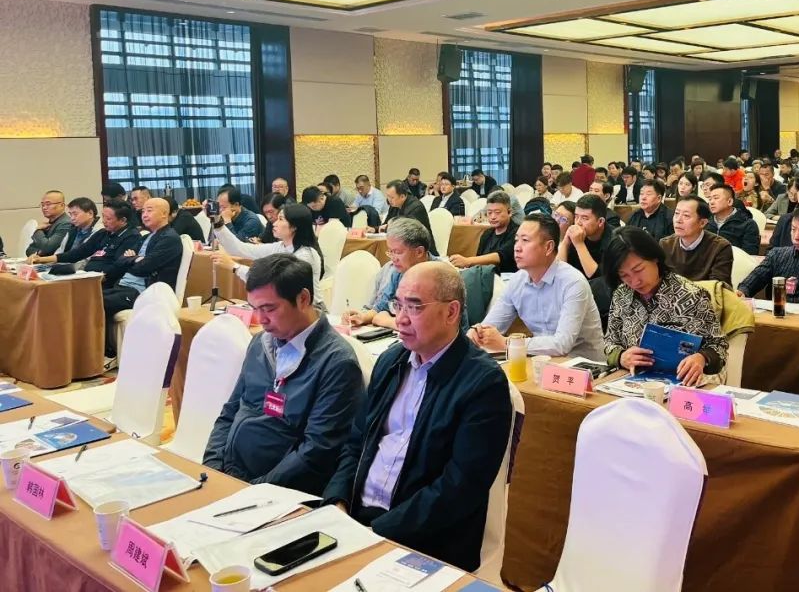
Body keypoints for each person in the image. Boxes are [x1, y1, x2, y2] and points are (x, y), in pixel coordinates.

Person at [324, 261, 511, 572]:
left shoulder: (483, 383)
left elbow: (460, 487)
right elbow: (356, 442)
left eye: (414, 307)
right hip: (356, 521)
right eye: (398, 305)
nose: (400, 318)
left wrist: (377, 532)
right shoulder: (391, 361)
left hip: (422, 540)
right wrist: (337, 502)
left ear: (451, 312)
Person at [204, 254, 362, 495]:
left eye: (269, 308)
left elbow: (316, 451)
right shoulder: (260, 344)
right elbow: (230, 411)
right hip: (231, 477)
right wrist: (212, 468)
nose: (261, 319)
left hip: (277, 493)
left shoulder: (336, 362)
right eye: (254, 309)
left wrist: (250, 491)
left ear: (303, 299)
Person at [603, 227, 728, 386]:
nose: (635, 281)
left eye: (638, 270)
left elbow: (718, 346)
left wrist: (702, 358)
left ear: (655, 258)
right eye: (624, 275)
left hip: (684, 383)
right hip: (632, 382)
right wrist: (621, 357)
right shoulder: (622, 294)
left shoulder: (691, 295)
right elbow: (610, 341)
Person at [470, 214, 605, 360]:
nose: (517, 248)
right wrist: (477, 332)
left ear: (548, 247)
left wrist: (508, 343)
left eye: (525, 240)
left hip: (583, 364)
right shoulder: (517, 281)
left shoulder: (573, 282)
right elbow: (490, 326)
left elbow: (562, 344)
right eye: (516, 240)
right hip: (542, 361)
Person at [101, 198, 183, 359]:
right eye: (143, 211)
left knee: (96, 303)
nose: (144, 215)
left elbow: (143, 267)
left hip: (141, 292)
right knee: (88, 298)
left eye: (149, 210)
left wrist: (132, 260)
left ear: (164, 213)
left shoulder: (170, 239)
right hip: (123, 286)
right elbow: (120, 261)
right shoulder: (146, 237)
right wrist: (134, 259)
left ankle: (103, 353)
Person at [212, 203, 327, 308]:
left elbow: (274, 284)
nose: (275, 223)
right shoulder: (279, 247)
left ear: (294, 226)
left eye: (281, 219)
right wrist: (218, 223)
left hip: (310, 311)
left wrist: (235, 267)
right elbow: (240, 249)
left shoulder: (306, 255)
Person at [29, 200, 139, 285]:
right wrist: (41, 259)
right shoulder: (103, 233)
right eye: (103, 217)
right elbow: (77, 253)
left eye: (108, 219)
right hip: (86, 276)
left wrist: (98, 278)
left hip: (103, 281)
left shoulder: (131, 237)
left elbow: (118, 267)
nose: (104, 221)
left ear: (123, 220)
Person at [660, 196, 733, 283]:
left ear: (702, 223)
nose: (678, 220)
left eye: (686, 215)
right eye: (676, 213)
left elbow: (717, 286)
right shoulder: (665, 244)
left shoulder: (720, 247)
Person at [450, 191, 519, 273]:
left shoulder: (517, 232)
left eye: (497, 212)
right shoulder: (487, 233)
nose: (493, 217)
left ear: (509, 212)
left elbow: (501, 256)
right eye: (489, 213)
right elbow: (479, 258)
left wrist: (467, 261)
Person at [558, 193, 614, 280]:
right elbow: (559, 270)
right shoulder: (576, 234)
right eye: (576, 217)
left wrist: (579, 244)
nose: (578, 222)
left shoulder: (614, 239)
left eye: (584, 218)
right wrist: (565, 242)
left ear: (600, 222)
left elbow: (598, 277)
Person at [383, 180, 437, 254]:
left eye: (392, 197)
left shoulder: (416, 207)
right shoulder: (394, 205)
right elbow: (386, 223)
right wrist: (375, 229)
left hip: (421, 251)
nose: (389, 200)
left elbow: (405, 232)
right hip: (402, 246)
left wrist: (387, 227)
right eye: (388, 196)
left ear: (402, 196)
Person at [707, 184, 760, 255]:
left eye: (716, 198)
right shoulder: (705, 222)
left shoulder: (748, 224)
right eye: (710, 199)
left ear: (730, 201)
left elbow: (750, 254)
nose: (711, 202)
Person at [25, 190, 72, 256]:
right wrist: (39, 253)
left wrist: (38, 230)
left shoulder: (66, 223)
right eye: (42, 205)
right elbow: (29, 250)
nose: (44, 208)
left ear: (62, 205)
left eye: (48, 204)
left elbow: (48, 248)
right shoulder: (47, 225)